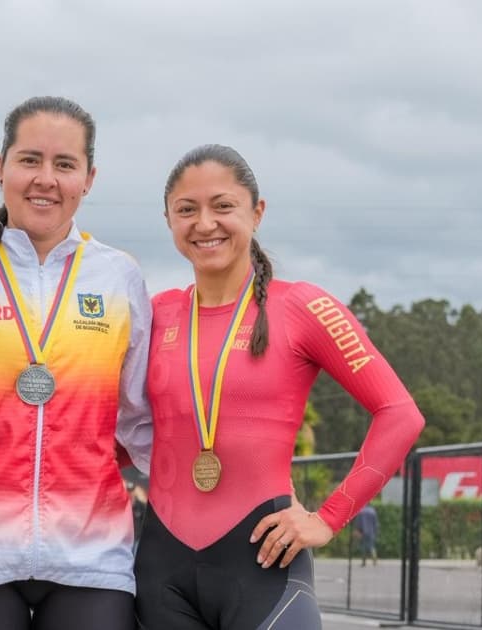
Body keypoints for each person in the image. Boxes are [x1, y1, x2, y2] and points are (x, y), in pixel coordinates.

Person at [134, 144, 425, 629]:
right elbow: (114, 426)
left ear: (257, 211)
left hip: (264, 568)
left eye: (223, 206)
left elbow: (400, 413)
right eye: (187, 210)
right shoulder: (154, 312)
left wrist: (328, 517)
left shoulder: (303, 308)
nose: (205, 223)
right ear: (168, 219)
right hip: (161, 573)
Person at [0, 96, 152, 629]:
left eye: (64, 164)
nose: (45, 178)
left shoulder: (119, 278)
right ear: (0, 167)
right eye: (30, 160)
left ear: (89, 178)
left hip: (91, 556)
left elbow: (140, 420)